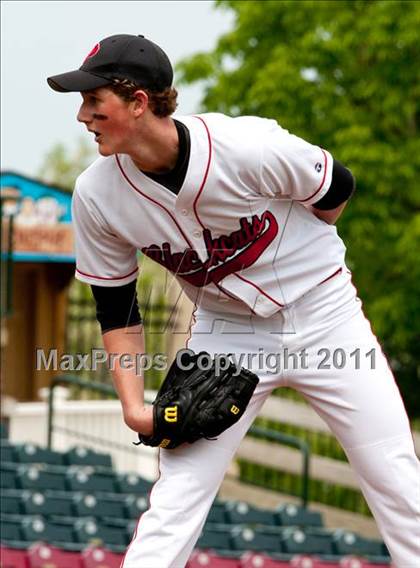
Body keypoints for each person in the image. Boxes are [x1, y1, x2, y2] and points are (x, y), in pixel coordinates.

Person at [47, 34, 420, 568]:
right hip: (227, 334)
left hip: (327, 317)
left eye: (93, 100)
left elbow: (336, 187)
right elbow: (116, 305)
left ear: (138, 101)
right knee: (177, 495)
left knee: (394, 475)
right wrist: (133, 406)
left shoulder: (245, 147)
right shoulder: (97, 195)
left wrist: (301, 256)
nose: (82, 115)